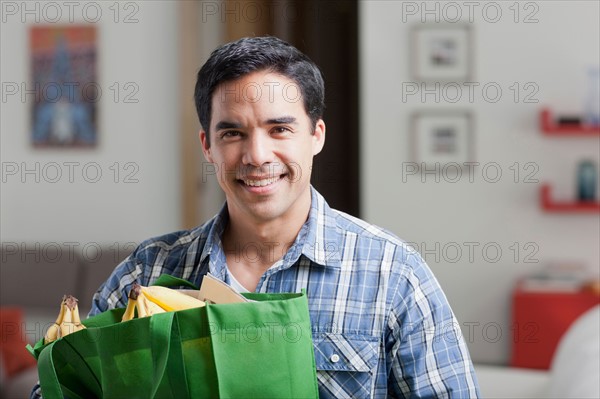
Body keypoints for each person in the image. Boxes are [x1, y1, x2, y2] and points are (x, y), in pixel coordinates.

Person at [31, 36, 480, 398]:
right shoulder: (148, 270)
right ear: (207, 145)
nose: (257, 155)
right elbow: (60, 390)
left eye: (279, 128)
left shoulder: (392, 271)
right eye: (233, 133)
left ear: (316, 135)